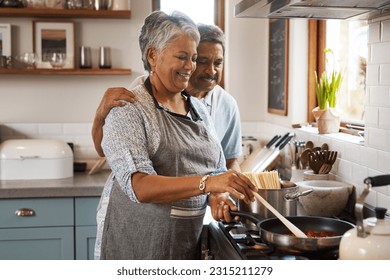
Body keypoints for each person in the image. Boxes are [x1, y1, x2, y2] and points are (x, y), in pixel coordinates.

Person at [94, 10, 257, 260]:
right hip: (138, 244)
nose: (191, 67)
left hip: (183, 242)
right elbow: (139, 185)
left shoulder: (198, 108)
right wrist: (209, 183)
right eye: (183, 57)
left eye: (193, 58)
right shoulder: (128, 107)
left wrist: (219, 193)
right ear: (152, 55)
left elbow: (216, 169)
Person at [92, 24, 242, 171]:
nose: (211, 71)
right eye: (202, 61)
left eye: (218, 63)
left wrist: (232, 190)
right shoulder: (140, 93)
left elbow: (228, 162)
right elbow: (105, 152)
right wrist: (100, 117)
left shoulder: (227, 105)